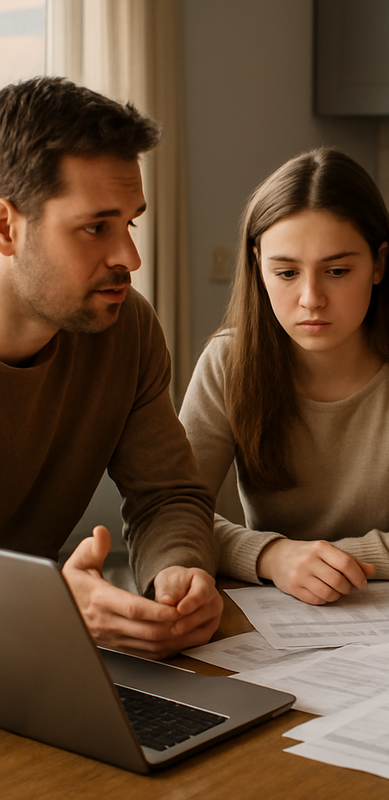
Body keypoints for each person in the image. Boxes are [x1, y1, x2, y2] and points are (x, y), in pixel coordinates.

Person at [179, 147, 389, 605]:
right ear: (258, 265)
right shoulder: (227, 362)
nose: (311, 298)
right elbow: (173, 518)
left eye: (337, 271)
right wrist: (271, 556)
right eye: (286, 272)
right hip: (278, 620)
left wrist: (330, 560)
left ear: (378, 264)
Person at [0, 76, 221, 658]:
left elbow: (166, 495)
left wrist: (177, 573)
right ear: (6, 227)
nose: (130, 258)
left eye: (131, 223)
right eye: (96, 227)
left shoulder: (127, 327)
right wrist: (46, 605)